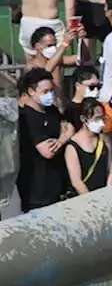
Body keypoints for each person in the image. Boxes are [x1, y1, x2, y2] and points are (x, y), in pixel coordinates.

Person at [16, 67, 68, 213]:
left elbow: (68, 128)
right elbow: (47, 151)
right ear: (31, 92)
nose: (50, 95)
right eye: (45, 92)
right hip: (37, 191)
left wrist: (60, 140)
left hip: (58, 184)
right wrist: (62, 139)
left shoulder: (52, 111)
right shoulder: (26, 117)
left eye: (51, 91)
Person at [63, 98, 112, 197]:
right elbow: (76, 182)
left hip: (105, 195)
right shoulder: (72, 146)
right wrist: (92, 201)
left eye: (102, 118)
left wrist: (108, 195)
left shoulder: (104, 141)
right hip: (83, 199)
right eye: (96, 119)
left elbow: (110, 171)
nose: (101, 123)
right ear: (83, 119)